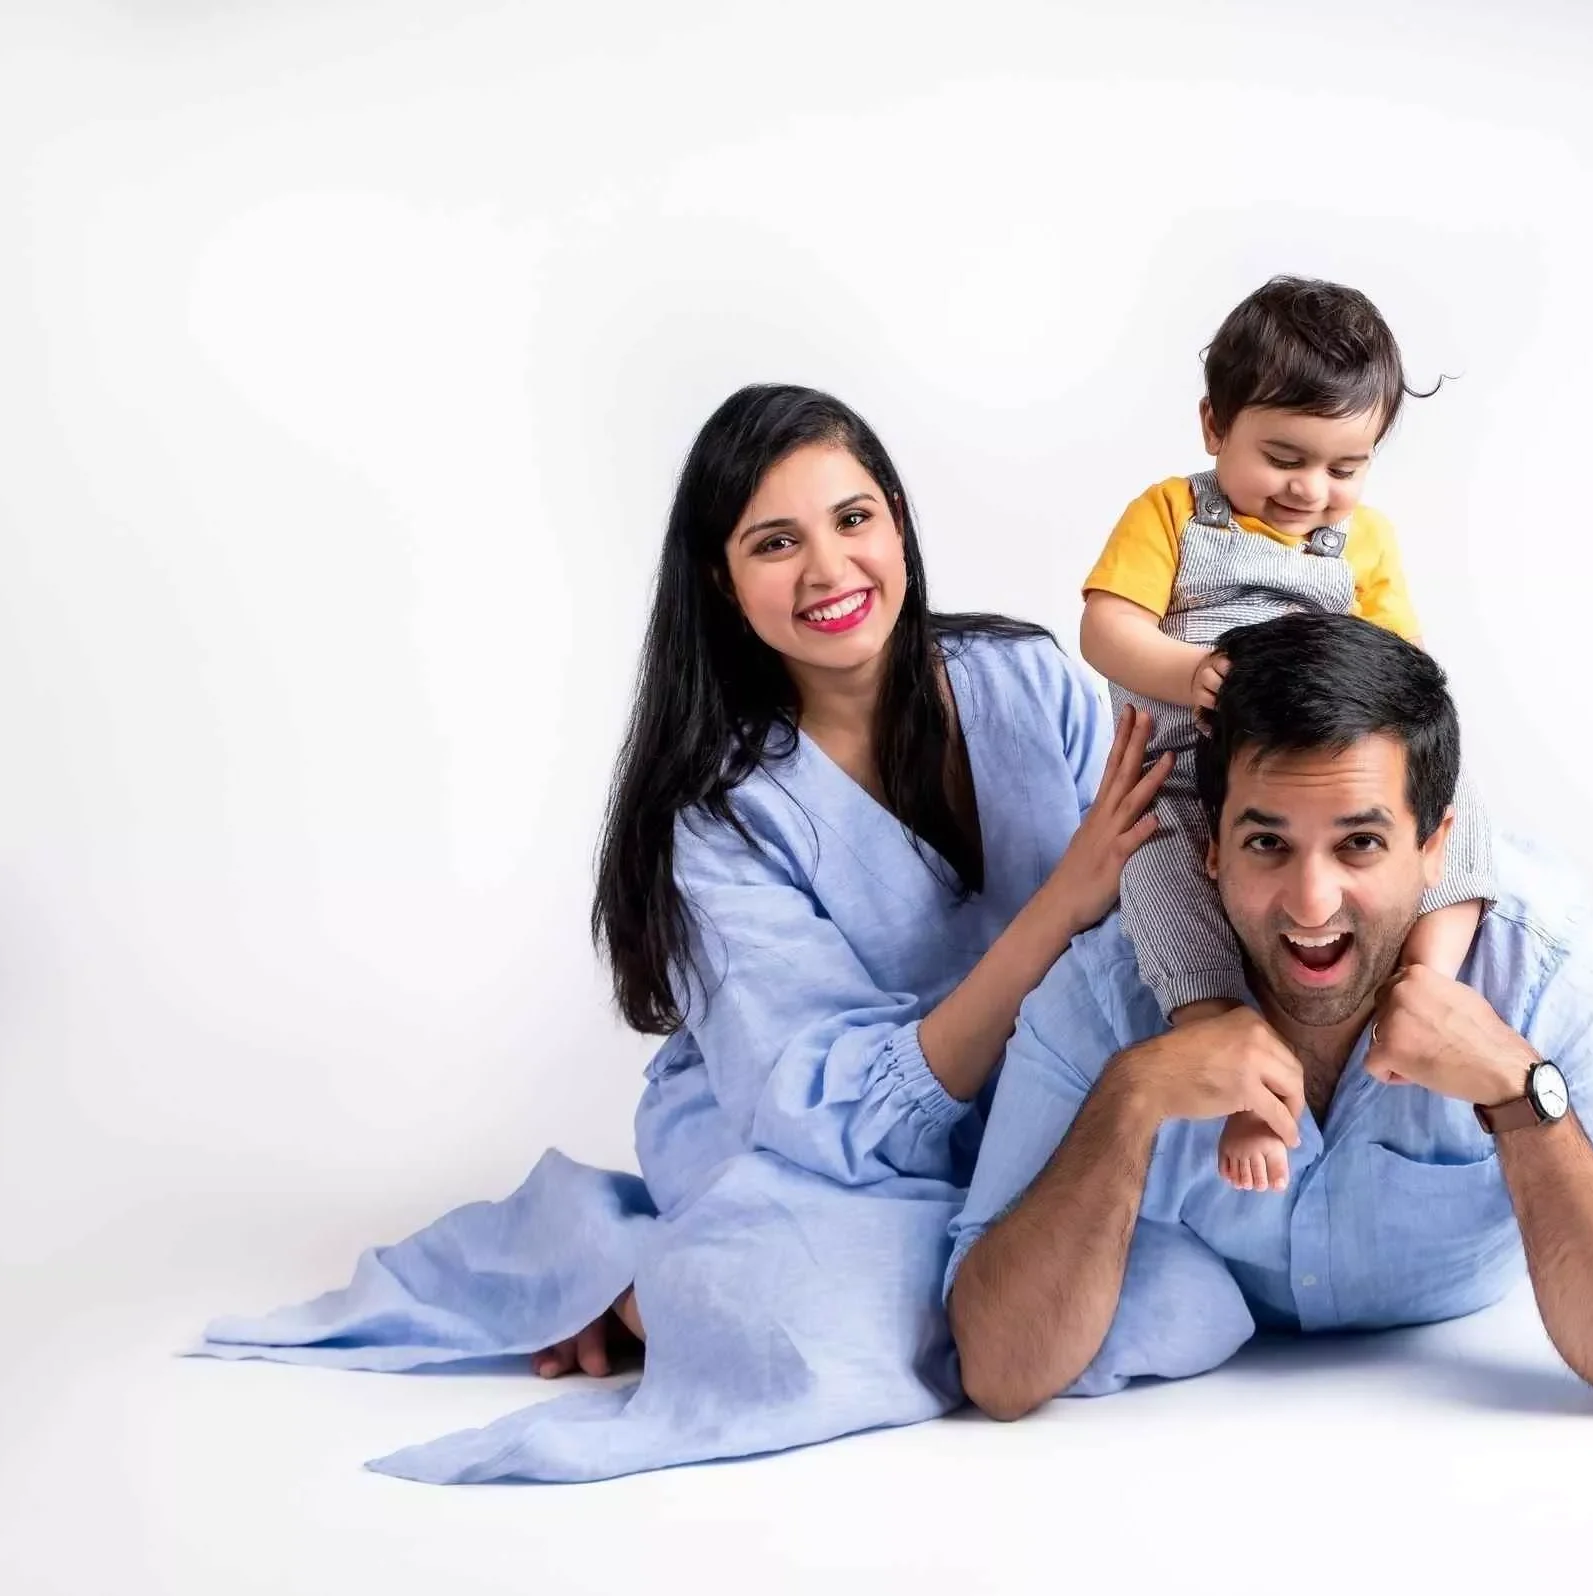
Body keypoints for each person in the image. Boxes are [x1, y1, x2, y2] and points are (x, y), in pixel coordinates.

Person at [197, 384, 1166, 1482]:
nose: (829, 571)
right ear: (722, 577)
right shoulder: (719, 811)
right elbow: (826, 1110)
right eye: (774, 542)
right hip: (819, 1151)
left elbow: (1159, 898)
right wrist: (1059, 907)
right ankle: (643, 1277)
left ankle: (732, 1273)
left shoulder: (1027, 681)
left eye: (854, 519)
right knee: (816, 1301)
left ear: (897, 519)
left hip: (1026, 1121)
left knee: (1180, 1272)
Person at [946, 612, 1593, 1422]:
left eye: (1360, 846)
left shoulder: (1544, 962)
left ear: (1435, 847)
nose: (1312, 903)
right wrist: (1129, 1097)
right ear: (1209, 848)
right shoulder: (1108, 984)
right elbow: (998, 1370)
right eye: (1267, 845)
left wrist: (1522, 1094)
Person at [1078, 276, 1496, 1197]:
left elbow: (1401, 661)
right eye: (1284, 457)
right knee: (1156, 879)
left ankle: (1424, 990)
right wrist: (1188, 674)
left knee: (1460, 813)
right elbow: (1106, 628)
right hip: (1192, 774)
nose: (1312, 489)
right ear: (1213, 427)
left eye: (1345, 469)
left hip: (1323, 770)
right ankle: (1224, 1050)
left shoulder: (1366, 544)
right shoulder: (1173, 515)